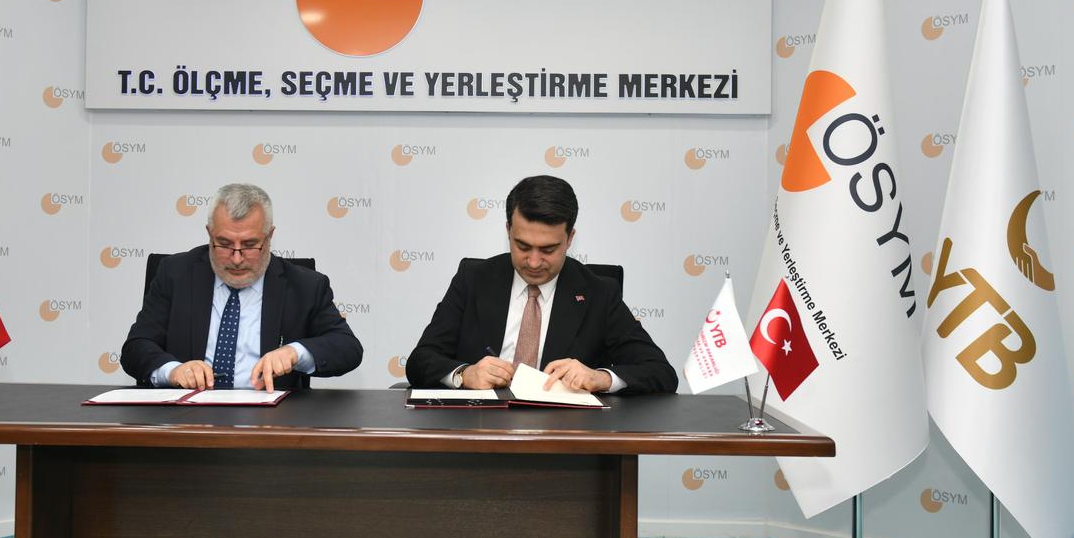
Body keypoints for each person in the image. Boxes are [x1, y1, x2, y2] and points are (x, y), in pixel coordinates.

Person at [406, 175, 677, 395]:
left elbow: (661, 372)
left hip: (564, 434)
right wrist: (465, 375)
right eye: (523, 246)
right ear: (508, 231)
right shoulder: (473, 278)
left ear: (569, 239)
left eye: (548, 249)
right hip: (480, 427)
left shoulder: (599, 293)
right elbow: (421, 360)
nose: (534, 262)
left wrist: (600, 378)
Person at [121, 182, 363, 391]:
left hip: (271, 421)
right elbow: (136, 348)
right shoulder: (175, 274)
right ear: (209, 234)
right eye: (224, 244)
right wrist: (173, 371)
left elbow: (348, 348)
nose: (236, 259)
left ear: (269, 236)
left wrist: (295, 352)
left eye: (249, 245)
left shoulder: (305, 286)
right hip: (188, 417)